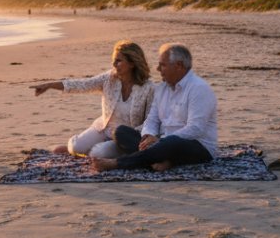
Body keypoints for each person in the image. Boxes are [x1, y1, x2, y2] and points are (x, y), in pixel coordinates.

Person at [93, 43, 218, 173]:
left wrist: (160, 140)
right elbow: (152, 120)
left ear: (179, 66)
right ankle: (161, 160)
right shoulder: (162, 89)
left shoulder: (199, 89)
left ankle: (117, 163)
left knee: (172, 142)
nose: (158, 69)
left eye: (163, 65)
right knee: (121, 132)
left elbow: (195, 129)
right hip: (163, 143)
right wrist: (148, 136)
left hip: (195, 146)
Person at [32, 40, 155, 158]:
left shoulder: (148, 88)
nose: (114, 64)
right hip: (104, 128)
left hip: (127, 137)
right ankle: (81, 149)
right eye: (113, 60)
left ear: (132, 63)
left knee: (98, 154)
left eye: (118, 61)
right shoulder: (109, 78)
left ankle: (113, 152)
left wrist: (129, 135)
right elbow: (83, 84)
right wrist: (50, 85)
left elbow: (151, 121)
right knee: (76, 147)